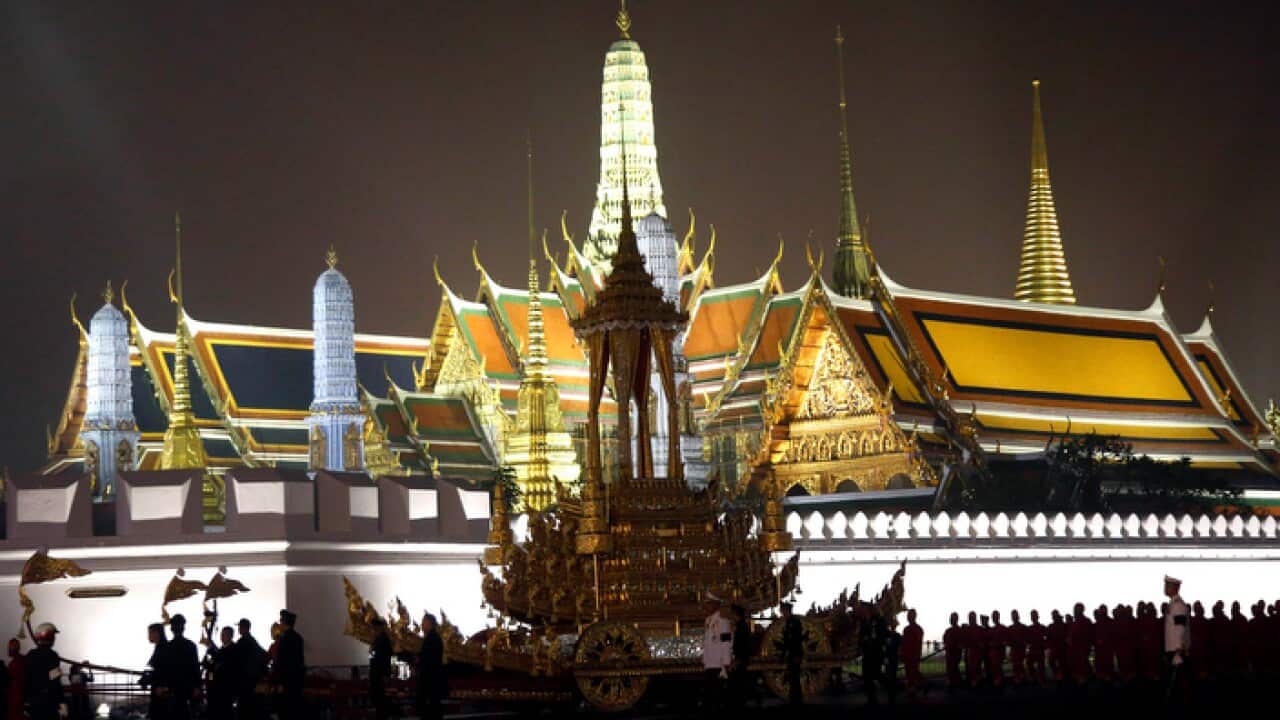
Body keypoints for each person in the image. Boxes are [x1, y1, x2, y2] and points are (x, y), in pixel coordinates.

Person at [23, 623, 65, 720]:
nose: (54, 638)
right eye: (53, 635)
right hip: (48, 702)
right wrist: (62, 703)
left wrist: (26, 702)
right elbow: (55, 682)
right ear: (49, 636)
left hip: (33, 702)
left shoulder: (30, 655)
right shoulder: (52, 656)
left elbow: (26, 680)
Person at [163, 615, 201, 720]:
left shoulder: (167, 647)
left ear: (171, 629)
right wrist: (197, 687)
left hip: (171, 691)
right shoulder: (191, 646)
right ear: (183, 628)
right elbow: (195, 668)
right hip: (187, 690)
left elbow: (164, 670)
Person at [274, 610, 306, 720]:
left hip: (286, 682)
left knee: (285, 712)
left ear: (284, 623)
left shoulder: (284, 639)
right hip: (296, 682)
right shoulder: (298, 638)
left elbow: (282, 662)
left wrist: (279, 680)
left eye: (281, 621)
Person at [1163, 576, 1191, 704]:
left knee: (1178, 685)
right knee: (1177, 685)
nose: (1165, 588)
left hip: (1176, 651)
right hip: (1173, 650)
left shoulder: (1178, 605)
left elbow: (1180, 628)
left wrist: (1178, 650)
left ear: (1175, 588)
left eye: (1167, 585)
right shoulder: (1173, 604)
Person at [235, 618, 269, 720]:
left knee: (244, 711)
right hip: (254, 681)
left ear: (243, 628)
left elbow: (235, 660)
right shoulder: (253, 641)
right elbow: (265, 655)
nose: (238, 629)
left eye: (240, 627)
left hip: (245, 682)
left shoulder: (242, 642)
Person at [416, 613, 446, 720]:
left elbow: (429, 659)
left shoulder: (432, 639)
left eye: (423, 622)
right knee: (433, 706)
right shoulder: (432, 637)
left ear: (429, 624)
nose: (421, 625)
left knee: (432, 706)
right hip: (431, 678)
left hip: (430, 678)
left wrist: (418, 660)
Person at [204, 626, 237, 720]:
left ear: (230, 636)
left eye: (224, 635)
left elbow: (223, 669)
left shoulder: (233, 651)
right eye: (221, 635)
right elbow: (211, 669)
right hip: (215, 690)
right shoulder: (220, 651)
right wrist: (210, 681)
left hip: (226, 690)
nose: (221, 637)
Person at [728, 604, 754, 708]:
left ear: (736, 615)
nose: (731, 617)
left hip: (740, 659)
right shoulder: (741, 626)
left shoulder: (742, 627)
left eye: (732, 614)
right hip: (741, 658)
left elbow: (743, 645)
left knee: (738, 682)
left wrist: (737, 659)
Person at [779, 602, 804, 706]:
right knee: (792, 677)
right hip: (791, 653)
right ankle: (794, 698)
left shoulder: (795, 622)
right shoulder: (789, 622)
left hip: (795, 653)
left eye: (783, 611)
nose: (782, 613)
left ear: (787, 610)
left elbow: (797, 639)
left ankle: (796, 700)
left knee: (795, 677)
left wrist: (797, 655)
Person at [368, 618, 394, 720]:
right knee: (379, 700)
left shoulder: (382, 640)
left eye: (373, 628)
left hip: (379, 675)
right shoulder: (379, 640)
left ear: (378, 628)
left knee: (380, 700)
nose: (372, 631)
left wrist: (385, 675)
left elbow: (382, 659)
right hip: (378, 674)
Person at [144, 622, 170, 720]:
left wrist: (164, 686)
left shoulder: (163, 648)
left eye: (150, 633)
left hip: (161, 693)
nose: (148, 636)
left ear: (157, 633)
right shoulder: (160, 647)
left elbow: (166, 670)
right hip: (159, 691)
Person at [860, 607, 886, 705]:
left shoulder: (880, 622)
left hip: (875, 654)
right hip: (868, 654)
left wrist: (870, 640)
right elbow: (862, 637)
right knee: (868, 676)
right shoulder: (868, 622)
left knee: (876, 675)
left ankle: (890, 687)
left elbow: (880, 637)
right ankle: (872, 698)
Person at [901, 609, 924, 693]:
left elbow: (917, 643)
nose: (908, 617)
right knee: (911, 672)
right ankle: (917, 686)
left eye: (909, 615)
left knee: (912, 672)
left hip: (912, 655)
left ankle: (914, 687)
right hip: (909, 655)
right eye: (908, 615)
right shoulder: (914, 629)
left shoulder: (914, 629)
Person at [1026, 610, 1047, 684]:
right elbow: (1026, 639)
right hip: (1033, 650)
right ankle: (1035, 678)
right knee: (1029, 664)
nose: (1033, 617)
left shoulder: (1042, 627)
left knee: (1040, 667)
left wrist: (1044, 645)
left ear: (1037, 616)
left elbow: (1047, 638)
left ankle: (1040, 680)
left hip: (1039, 650)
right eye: (1032, 616)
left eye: (1034, 615)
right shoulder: (1029, 628)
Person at [1007, 610, 1027, 685]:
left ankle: (1021, 678)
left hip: (1021, 650)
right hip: (1014, 650)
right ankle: (1018, 678)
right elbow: (1007, 641)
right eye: (1013, 616)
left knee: (1019, 664)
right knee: (1016, 665)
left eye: (1015, 616)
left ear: (1018, 617)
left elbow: (1027, 639)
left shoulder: (1023, 627)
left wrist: (1022, 643)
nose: (1014, 617)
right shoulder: (1010, 628)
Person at [942, 612, 962, 688]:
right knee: (951, 669)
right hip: (949, 654)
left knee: (953, 669)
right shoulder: (948, 631)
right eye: (951, 618)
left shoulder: (958, 630)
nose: (951, 620)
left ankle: (954, 683)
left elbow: (960, 643)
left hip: (954, 654)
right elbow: (945, 640)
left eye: (953, 618)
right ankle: (953, 682)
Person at [7, 639, 25, 720]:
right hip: (21, 695)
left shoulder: (13, 664)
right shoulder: (22, 660)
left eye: (9, 647)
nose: (8, 649)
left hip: (15, 696)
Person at [1047, 610, 1067, 683]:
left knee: (1062, 665)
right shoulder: (1051, 626)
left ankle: (1060, 677)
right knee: (1053, 662)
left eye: (1055, 615)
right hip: (1056, 649)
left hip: (1062, 649)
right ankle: (1059, 677)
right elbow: (1048, 638)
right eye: (1053, 616)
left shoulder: (1063, 625)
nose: (1054, 617)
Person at [988, 611, 1006, 689]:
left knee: (998, 667)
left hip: (999, 651)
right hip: (993, 652)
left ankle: (999, 680)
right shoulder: (991, 629)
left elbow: (1005, 640)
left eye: (996, 616)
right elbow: (988, 640)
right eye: (993, 617)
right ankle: (997, 679)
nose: (994, 618)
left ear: (998, 617)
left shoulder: (1003, 628)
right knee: (994, 667)